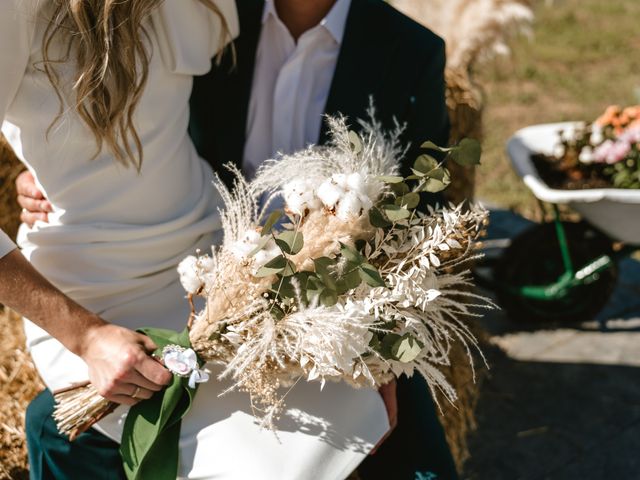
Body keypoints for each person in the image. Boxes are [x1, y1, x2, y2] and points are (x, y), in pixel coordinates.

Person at [18, 1, 458, 479]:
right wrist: (53, 168)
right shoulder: (211, 16)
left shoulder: (410, 51)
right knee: (54, 427)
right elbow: (140, 118)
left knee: (415, 466)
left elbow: (419, 222)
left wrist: (379, 345)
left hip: (332, 310)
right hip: (197, 282)